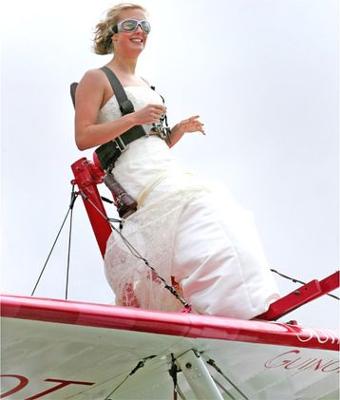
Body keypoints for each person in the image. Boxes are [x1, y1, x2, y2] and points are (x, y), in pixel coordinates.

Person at [74, 3, 280, 319]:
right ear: (113, 35)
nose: (138, 31)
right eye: (129, 25)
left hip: (161, 166)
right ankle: (227, 308)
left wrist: (177, 132)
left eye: (144, 26)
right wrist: (135, 119)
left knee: (219, 207)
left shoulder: (145, 84)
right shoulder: (96, 78)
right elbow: (84, 137)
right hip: (137, 176)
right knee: (198, 206)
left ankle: (250, 305)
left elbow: (147, 142)